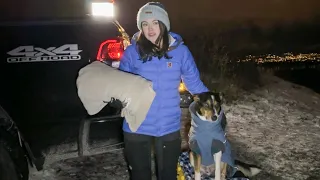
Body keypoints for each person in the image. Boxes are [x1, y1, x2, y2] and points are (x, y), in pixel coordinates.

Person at [119, 2, 209, 180]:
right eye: (145, 24)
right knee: (139, 175)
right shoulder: (131, 52)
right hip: (136, 124)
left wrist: (211, 103)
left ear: (164, 24)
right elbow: (121, 84)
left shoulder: (181, 52)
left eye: (155, 23)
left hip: (168, 125)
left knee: (168, 175)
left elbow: (194, 83)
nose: (150, 29)